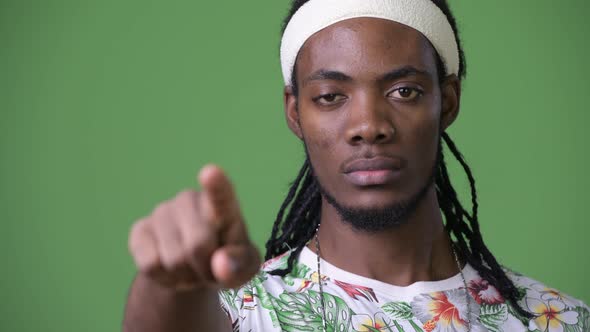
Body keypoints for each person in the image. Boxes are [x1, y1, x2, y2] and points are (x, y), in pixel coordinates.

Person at [123, 0, 589, 331]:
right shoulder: (240, 313)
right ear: (295, 113)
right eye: (330, 97)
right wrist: (169, 286)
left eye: (403, 90)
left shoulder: (558, 320)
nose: (368, 125)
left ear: (446, 102)